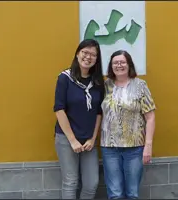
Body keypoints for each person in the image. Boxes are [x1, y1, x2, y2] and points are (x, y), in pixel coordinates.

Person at [53, 39, 105, 199]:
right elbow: (59, 109)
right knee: (71, 182)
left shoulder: (97, 82)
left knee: (91, 183)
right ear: (77, 54)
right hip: (66, 139)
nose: (88, 57)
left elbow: (98, 112)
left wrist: (93, 138)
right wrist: (73, 140)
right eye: (85, 52)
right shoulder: (65, 78)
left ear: (97, 59)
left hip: (88, 141)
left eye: (93, 55)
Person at [101, 50, 156, 199]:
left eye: (122, 62)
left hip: (134, 148)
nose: (119, 65)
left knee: (132, 193)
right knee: (115, 194)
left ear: (129, 64)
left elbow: (150, 117)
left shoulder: (140, 85)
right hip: (110, 147)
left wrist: (148, 145)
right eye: (115, 63)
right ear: (111, 66)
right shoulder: (105, 86)